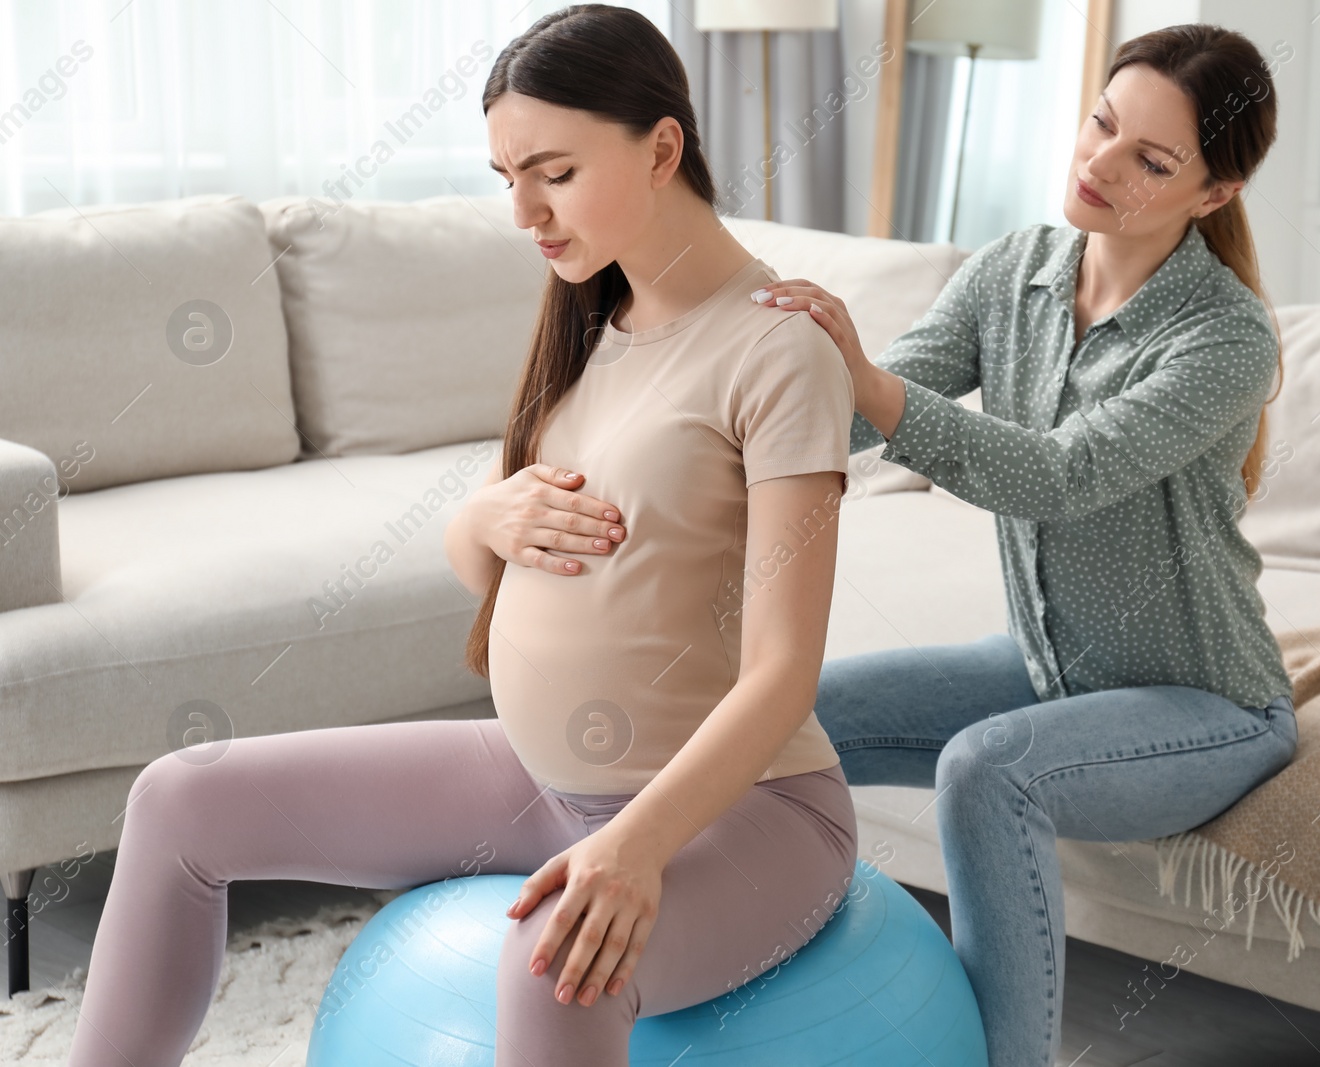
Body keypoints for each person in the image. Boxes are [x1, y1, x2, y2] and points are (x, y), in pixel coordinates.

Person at [66, 6, 860, 1066]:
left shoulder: (777, 347)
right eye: (503, 177)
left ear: (661, 146)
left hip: (739, 815)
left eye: (552, 172)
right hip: (541, 777)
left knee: (558, 955)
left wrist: (635, 844)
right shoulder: (591, 325)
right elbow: (487, 559)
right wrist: (476, 515)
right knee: (179, 798)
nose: (524, 209)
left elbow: (782, 673)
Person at [509, 22, 1301, 1067]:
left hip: (1206, 702)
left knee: (986, 769)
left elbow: (1055, 475)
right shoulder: (1017, 266)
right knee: (788, 719)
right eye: (1101, 123)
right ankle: (686, 962)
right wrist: (739, 376)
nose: (1099, 163)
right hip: (1040, 666)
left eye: (1149, 160)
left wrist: (870, 385)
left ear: (1211, 195)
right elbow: (843, 412)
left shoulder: (1223, 336)